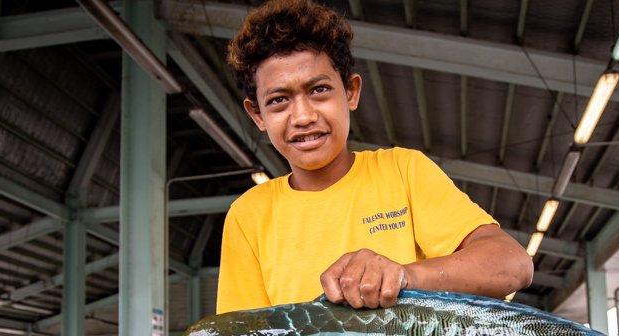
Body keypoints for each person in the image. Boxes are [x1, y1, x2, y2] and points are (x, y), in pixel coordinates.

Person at [217, 0, 533, 314]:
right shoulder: (248, 216)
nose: (302, 116)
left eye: (319, 90)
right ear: (257, 115)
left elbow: (513, 264)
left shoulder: (403, 171)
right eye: (278, 100)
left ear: (351, 92)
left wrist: (406, 276)